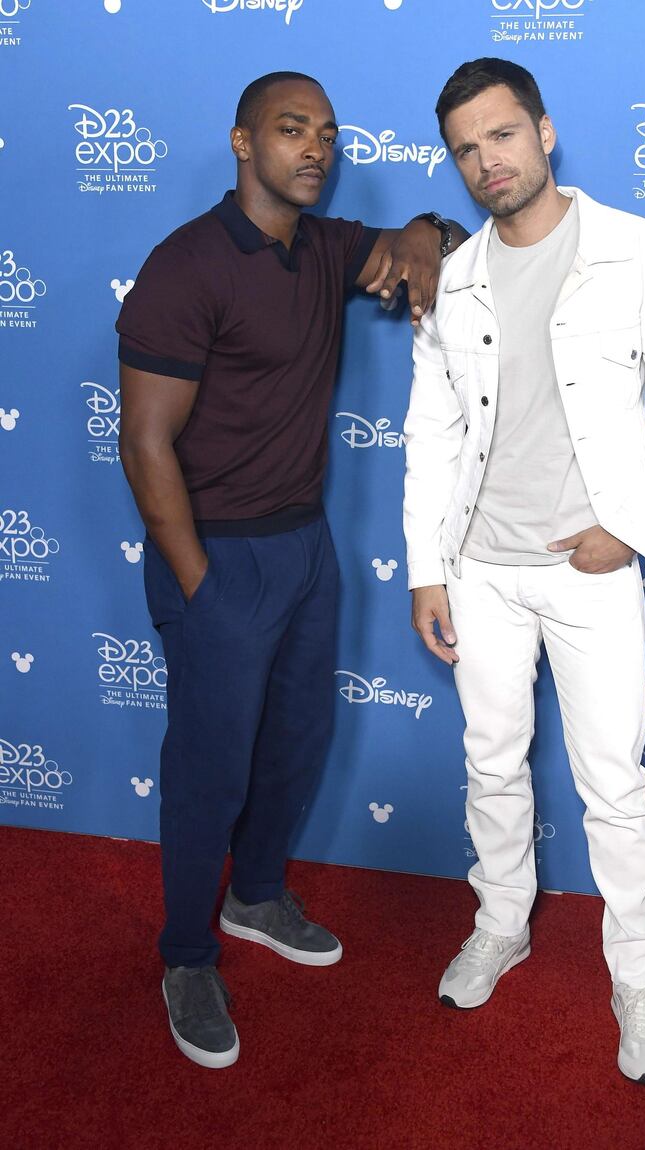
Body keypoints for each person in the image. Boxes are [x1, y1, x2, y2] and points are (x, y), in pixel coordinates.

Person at [117, 70, 465, 1070]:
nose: (313, 146)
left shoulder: (321, 246)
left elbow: (415, 239)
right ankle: (186, 954)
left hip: (307, 546)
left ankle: (255, 892)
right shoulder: (184, 266)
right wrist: (197, 582)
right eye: (288, 128)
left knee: (297, 741)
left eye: (324, 132)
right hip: (217, 553)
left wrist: (426, 239)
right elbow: (145, 444)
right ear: (240, 143)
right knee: (207, 766)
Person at [403, 58, 645, 1085]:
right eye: (463, 147)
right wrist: (426, 568)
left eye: (500, 135)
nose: (484, 161)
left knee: (612, 787)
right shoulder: (449, 276)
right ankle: (501, 921)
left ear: (542, 132)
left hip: (587, 570)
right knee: (491, 764)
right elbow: (430, 434)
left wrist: (624, 529)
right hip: (479, 568)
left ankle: (636, 978)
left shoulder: (636, 250)